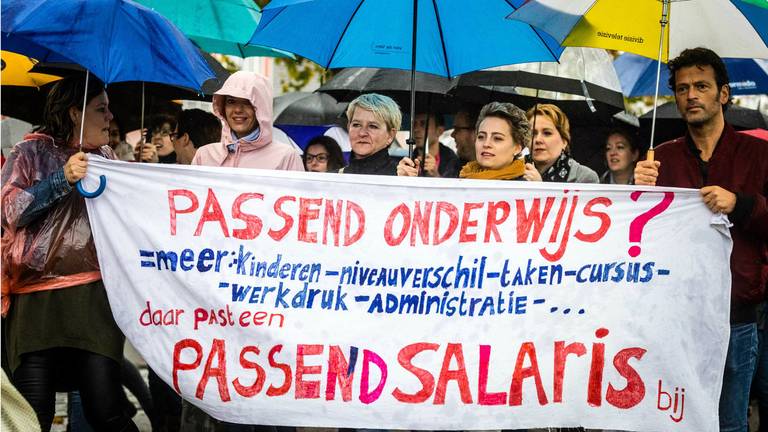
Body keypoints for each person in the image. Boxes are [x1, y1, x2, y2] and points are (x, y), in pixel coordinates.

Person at [634, 47, 768, 432]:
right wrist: (637, 190)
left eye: (701, 86)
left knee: (729, 424)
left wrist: (740, 204)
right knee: (673, 423)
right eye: (681, 88)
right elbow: (638, 235)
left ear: (723, 94)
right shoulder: (660, 159)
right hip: (674, 318)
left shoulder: (759, 154)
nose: (690, 95)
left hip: (737, 320)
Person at [1, 76, 138, 431]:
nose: (110, 117)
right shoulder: (28, 152)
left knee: (107, 410)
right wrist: (62, 178)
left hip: (92, 298)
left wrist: (141, 177)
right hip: (36, 305)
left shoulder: (106, 157)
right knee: (33, 415)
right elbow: (10, 210)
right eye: (101, 109)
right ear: (76, 113)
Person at [192, 71, 303, 171]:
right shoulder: (203, 156)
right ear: (222, 107)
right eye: (231, 101)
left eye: (247, 102)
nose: (238, 110)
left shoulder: (287, 158)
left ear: (262, 108)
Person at [524, 103, 599, 184]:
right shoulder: (514, 171)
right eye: (532, 134)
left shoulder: (585, 177)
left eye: (547, 133)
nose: (538, 140)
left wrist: (539, 187)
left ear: (564, 142)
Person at [458, 102, 530, 181]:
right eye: (481, 137)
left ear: (517, 148)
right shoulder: (460, 179)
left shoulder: (525, 188)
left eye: (497, 138)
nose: (486, 144)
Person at [342, 93, 401, 176]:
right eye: (356, 125)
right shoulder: (331, 178)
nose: (362, 133)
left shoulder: (401, 179)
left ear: (390, 135)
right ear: (348, 127)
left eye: (373, 126)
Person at [399, 112, 460, 178]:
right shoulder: (408, 161)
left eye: (423, 124)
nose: (416, 129)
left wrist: (436, 176)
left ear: (439, 131)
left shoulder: (453, 163)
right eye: (414, 124)